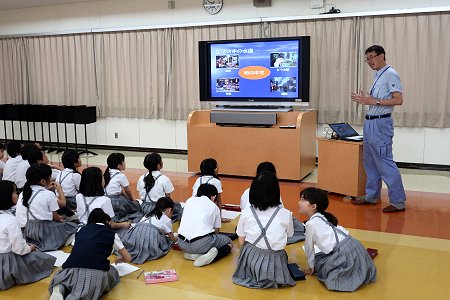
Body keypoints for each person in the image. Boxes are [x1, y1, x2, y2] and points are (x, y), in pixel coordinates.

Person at [351, 45, 407, 213]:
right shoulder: (378, 75)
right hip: (370, 122)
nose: (370, 61)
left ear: (382, 56)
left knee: (384, 162)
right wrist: (367, 99)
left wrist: (372, 101)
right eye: (367, 59)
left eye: (372, 57)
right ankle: (371, 196)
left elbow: (398, 100)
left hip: (381, 124)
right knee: (369, 161)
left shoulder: (391, 74)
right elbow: (376, 99)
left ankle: (398, 201)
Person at [298, 187, 376, 291]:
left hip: (343, 252)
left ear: (313, 206)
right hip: (354, 245)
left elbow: (309, 247)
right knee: (321, 259)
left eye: (303, 200)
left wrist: (311, 267)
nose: (299, 202)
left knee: (328, 274)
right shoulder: (322, 217)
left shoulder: (311, 224)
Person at [49, 208, 131, 300]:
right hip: (94, 269)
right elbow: (128, 258)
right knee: (112, 273)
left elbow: (77, 250)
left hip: (71, 267)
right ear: (108, 222)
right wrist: (120, 259)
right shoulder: (111, 234)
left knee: (66, 277)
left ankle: (61, 287)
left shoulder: (80, 230)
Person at [232, 172, 295, 288]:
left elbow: (241, 241)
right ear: (276, 192)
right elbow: (290, 235)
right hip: (275, 259)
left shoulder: (247, 211)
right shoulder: (286, 214)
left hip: (251, 257)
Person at [0, 180, 56, 291]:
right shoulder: (10, 220)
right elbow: (19, 249)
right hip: (7, 261)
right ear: (6, 196)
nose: (17, 195)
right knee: (45, 260)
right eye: (15, 192)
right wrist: (29, 248)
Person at [15, 163, 78, 251]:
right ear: (43, 181)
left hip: (26, 230)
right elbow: (56, 217)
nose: (51, 178)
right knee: (72, 226)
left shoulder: (24, 192)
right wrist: (59, 190)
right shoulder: (48, 194)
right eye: (49, 177)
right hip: (43, 230)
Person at [240, 161, 305, 244]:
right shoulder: (273, 194)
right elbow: (283, 218)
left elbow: (242, 240)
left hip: (251, 234)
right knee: (297, 226)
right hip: (273, 241)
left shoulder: (246, 195)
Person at [178, 183, 233, 267]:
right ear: (213, 197)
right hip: (201, 244)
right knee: (229, 242)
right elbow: (216, 232)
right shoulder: (214, 207)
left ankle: (193, 254)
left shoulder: (189, 201)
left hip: (182, 244)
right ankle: (209, 256)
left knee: (201, 240)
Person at [121, 197, 176, 264]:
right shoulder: (166, 219)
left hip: (136, 232)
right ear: (170, 210)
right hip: (150, 237)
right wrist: (176, 239)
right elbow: (171, 237)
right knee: (167, 241)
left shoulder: (148, 214)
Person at [136, 153, 182, 220]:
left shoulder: (141, 178)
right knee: (178, 206)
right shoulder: (164, 178)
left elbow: (141, 194)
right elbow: (168, 199)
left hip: (144, 208)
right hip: (159, 209)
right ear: (158, 165)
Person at [104, 153, 142, 222]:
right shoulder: (120, 176)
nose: (125, 163)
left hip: (105, 198)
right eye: (124, 161)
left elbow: (119, 190)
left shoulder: (106, 173)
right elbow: (128, 191)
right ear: (119, 165)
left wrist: (126, 199)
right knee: (136, 208)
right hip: (115, 201)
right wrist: (131, 200)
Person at [192, 158, 229, 222]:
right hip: (207, 211)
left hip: (194, 209)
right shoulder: (216, 181)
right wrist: (219, 218)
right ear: (215, 169)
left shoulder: (198, 179)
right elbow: (219, 202)